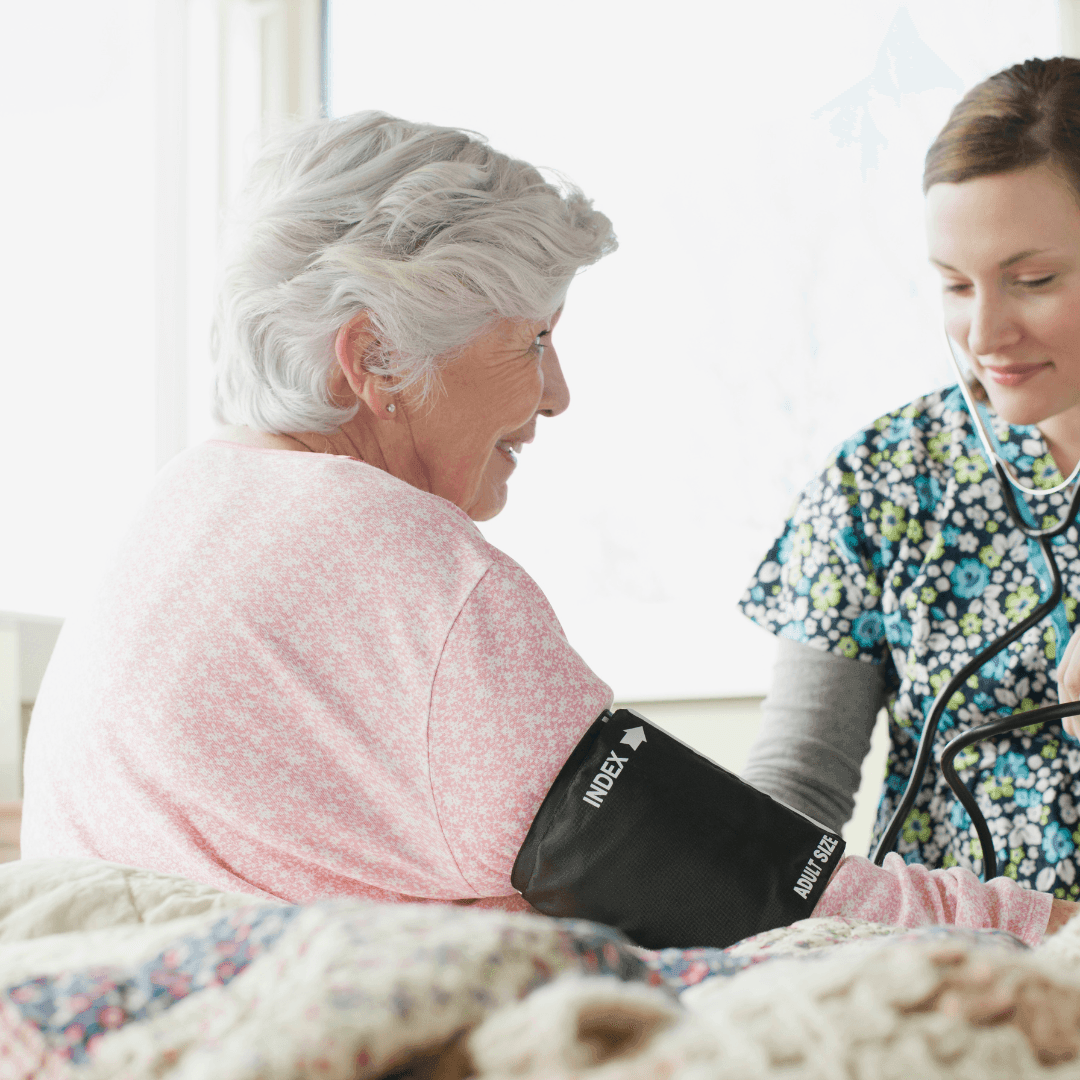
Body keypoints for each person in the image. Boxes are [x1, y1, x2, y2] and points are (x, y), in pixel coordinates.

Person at [16, 111, 1075, 945]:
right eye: (530, 343)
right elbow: (746, 895)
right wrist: (1054, 932)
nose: (558, 393)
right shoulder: (395, 559)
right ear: (374, 359)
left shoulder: (188, 506)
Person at [741, 57, 1080, 902]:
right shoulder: (883, 477)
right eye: (955, 285)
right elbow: (796, 789)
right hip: (941, 978)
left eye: (1033, 281)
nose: (985, 330)